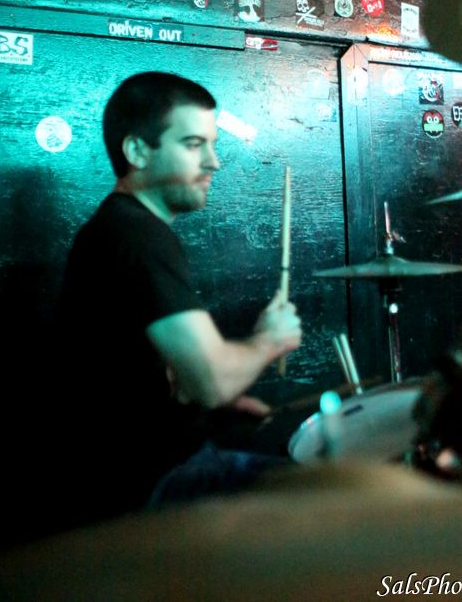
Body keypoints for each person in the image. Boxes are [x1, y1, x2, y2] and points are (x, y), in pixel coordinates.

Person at [52, 70, 302, 528]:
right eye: (193, 145)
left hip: (152, 466)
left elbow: (138, 375)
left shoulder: (121, 227)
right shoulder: (138, 237)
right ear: (137, 151)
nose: (214, 162)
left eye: (212, 144)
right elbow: (212, 379)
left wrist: (206, 407)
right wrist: (271, 340)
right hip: (147, 487)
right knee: (336, 500)